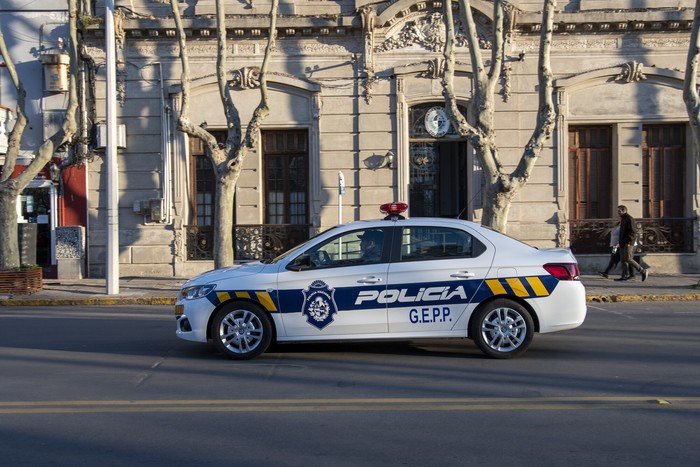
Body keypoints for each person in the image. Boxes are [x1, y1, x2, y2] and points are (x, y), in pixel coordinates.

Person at [615, 205, 648, 282]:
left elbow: (633, 232)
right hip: (622, 243)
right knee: (623, 260)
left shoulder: (630, 219)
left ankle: (643, 271)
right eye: (618, 211)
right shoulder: (623, 219)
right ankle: (624, 276)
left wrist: (629, 242)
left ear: (624, 210)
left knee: (628, 258)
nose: (618, 213)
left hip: (628, 243)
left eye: (619, 211)